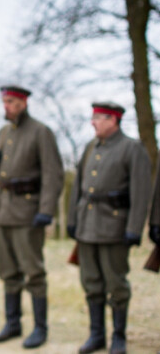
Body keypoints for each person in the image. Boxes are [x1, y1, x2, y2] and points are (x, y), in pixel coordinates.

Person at [67, 102, 151, 354]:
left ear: (113, 120)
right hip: (87, 227)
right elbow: (78, 189)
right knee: (91, 282)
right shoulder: (91, 147)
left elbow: (141, 191)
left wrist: (134, 228)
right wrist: (73, 220)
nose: (93, 122)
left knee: (116, 284)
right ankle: (96, 335)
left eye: (99, 118)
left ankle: (119, 337)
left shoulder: (132, 148)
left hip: (114, 228)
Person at [0, 85, 63, 349]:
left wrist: (45, 210)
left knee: (33, 273)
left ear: (23, 102)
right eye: (4, 101)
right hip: (3, 212)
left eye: (10, 101)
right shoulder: (2, 133)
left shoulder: (41, 132)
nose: (6, 106)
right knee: (8, 271)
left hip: (28, 213)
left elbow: (53, 174)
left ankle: (40, 328)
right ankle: (13, 323)